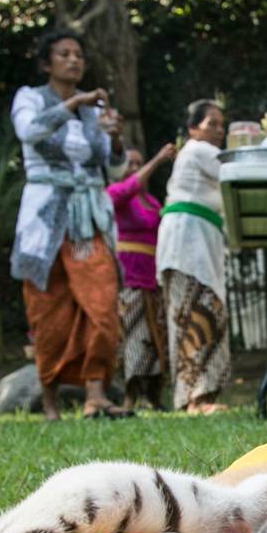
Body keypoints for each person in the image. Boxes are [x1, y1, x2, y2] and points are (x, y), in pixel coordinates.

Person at [9, 29, 129, 421]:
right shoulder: (30, 98)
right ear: (47, 63)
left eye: (78, 54)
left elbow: (113, 170)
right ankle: (50, 401)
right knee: (48, 311)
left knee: (103, 305)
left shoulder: (94, 115)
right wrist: (74, 102)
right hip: (44, 223)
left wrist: (114, 141)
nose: (74, 61)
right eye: (64, 54)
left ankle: (96, 392)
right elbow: (29, 131)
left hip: (88, 221)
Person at [156, 99, 231, 414]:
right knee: (191, 312)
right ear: (192, 129)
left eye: (220, 124)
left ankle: (203, 396)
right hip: (186, 238)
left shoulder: (204, 156)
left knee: (207, 309)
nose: (218, 129)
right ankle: (192, 399)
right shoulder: (198, 151)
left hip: (201, 237)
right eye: (210, 123)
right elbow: (234, 171)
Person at [107, 142, 176, 412]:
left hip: (151, 278)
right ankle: (128, 396)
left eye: (139, 162)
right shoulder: (116, 194)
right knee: (131, 337)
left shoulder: (153, 203)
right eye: (130, 163)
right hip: (128, 277)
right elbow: (126, 189)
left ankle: (153, 394)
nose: (135, 168)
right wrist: (158, 159)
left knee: (152, 337)